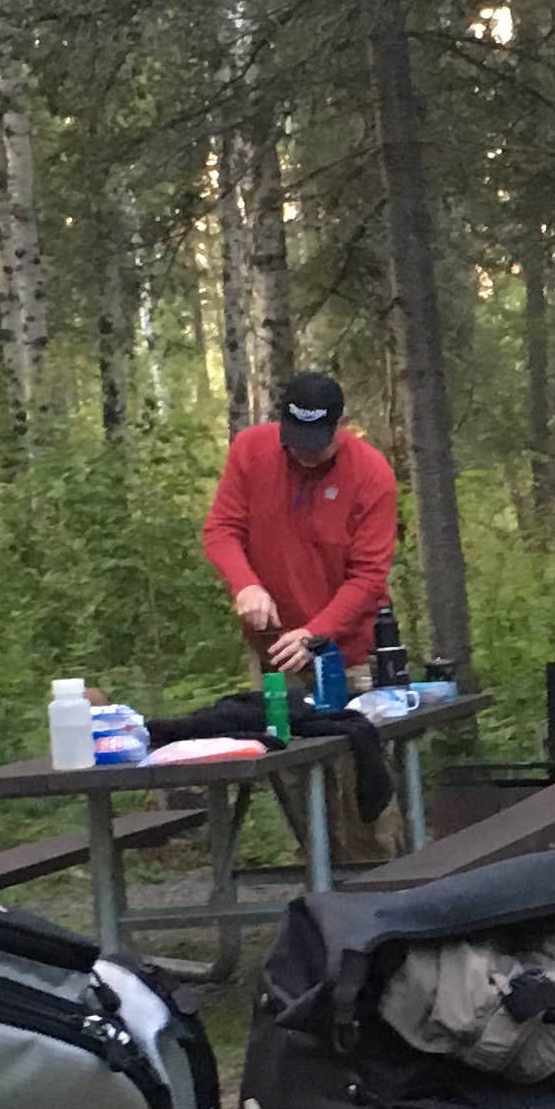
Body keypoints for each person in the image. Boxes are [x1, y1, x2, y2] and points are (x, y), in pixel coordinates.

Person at [201, 370, 402, 866]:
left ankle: (382, 881)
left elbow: (368, 576)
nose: (306, 454)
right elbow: (221, 529)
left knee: (362, 779)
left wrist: (317, 632)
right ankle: (318, 880)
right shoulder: (252, 451)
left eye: (319, 443)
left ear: (343, 426)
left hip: (351, 652)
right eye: (297, 442)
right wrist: (244, 582)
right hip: (274, 650)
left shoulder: (371, 475)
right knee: (291, 771)